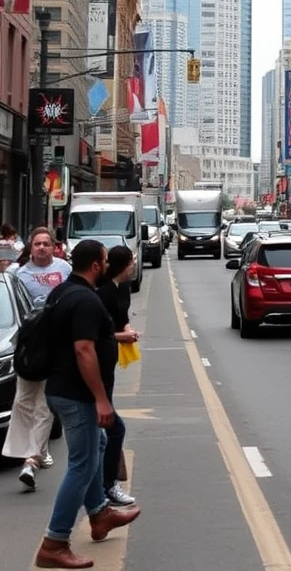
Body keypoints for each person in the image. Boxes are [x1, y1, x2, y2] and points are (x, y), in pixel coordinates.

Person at [34, 239, 140, 569]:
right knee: (81, 465)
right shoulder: (85, 300)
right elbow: (83, 349)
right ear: (95, 265)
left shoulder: (64, 292)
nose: (108, 265)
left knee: (100, 444)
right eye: (106, 260)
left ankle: (99, 515)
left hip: (63, 388)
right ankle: (55, 541)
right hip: (77, 394)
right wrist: (100, 399)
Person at [3, 227, 72, 491]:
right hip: (28, 348)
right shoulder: (16, 275)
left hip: (55, 346)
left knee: (45, 405)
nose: (41, 248)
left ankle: (32, 458)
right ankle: (34, 453)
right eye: (37, 244)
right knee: (23, 403)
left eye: (46, 244)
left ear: (54, 247)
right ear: (30, 248)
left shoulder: (64, 270)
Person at [96, 245, 140, 507]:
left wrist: (127, 328)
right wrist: (120, 336)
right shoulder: (100, 293)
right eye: (131, 263)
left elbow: (121, 317)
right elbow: (94, 335)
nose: (134, 267)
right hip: (98, 366)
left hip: (109, 363)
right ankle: (106, 487)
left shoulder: (122, 288)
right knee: (112, 429)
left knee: (105, 431)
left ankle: (103, 488)